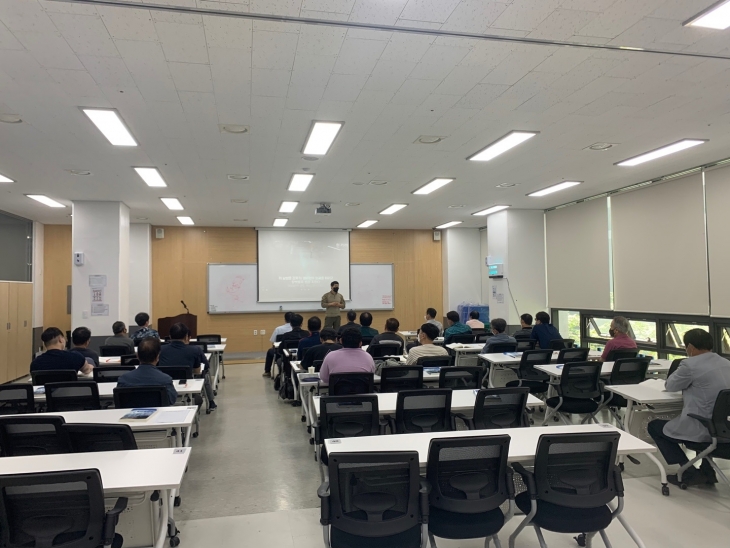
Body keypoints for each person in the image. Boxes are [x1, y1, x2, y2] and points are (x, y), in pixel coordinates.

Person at [647, 329, 730, 487]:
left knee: (654, 426)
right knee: (708, 417)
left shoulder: (690, 364)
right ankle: (707, 470)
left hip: (704, 430)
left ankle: (688, 471)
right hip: (726, 428)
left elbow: (671, 385)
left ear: (690, 347)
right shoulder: (726, 363)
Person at [159, 322, 217, 410]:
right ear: (187, 336)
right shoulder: (195, 350)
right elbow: (198, 370)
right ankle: (211, 403)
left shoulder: (160, 349)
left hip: (165, 383)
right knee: (204, 375)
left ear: (170, 336)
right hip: (187, 383)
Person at [117, 337, 178, 406]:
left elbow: (119, 401)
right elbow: (172, 400)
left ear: (137, 356)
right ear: (158, 357)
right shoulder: (165, 379)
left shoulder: (123, 379)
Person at [263, 312, 294, 377]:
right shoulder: (296, 330)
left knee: (270, 351)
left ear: (285, 319)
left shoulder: (278, 329)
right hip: (294, 353)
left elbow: (273, 342)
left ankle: (267, 371)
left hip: (280, 353)